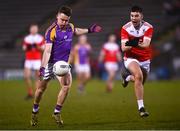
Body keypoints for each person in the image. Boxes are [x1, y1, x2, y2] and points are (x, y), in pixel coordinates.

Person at [30, 5, 102, 126]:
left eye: (66, 20)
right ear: (57, 16)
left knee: (66, 85)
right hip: (50, 63)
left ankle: (57, 112)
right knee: (41, 89)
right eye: (62, 19)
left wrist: (89, 30)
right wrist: (42, 67)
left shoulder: (70, 27)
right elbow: (47, 51)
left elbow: (76, 31)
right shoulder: (51, 31)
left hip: (62, 64)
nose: (64, 22)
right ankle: (34, 111)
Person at [120, 5, 153, 117]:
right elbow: (124, 48)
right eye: (132, 15)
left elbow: (146, 45)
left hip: (145, 59)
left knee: (140, 81)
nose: (133, 18)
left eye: (136, 15)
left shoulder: (148, 27)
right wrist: (135, 43)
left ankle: (127, 78)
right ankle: (141, 108)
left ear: (141, 16)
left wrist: (132, 43)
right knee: (138, 76)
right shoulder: (125, 28)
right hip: (130, 58)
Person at [22, 23, 44, 99]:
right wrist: (28, 47)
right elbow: (24, 48)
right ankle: (30, 92)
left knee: (37, 77)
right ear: (30, 29)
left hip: (37, 59)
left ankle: (36, 93)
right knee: (26, 76)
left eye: (35, 28)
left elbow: (43, 49)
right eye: (32, 28)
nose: (34, 30)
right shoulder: (27, 38)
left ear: (37, 29)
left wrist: (37, 46)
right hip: (28, 59)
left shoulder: (40, 38)